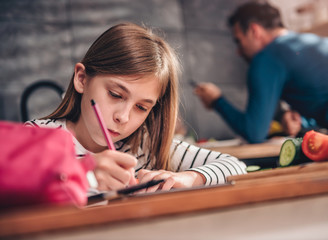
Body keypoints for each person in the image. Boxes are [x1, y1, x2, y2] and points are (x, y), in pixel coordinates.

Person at [25, 23, 246, 192]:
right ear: (82, 79)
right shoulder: (36, 137)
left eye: (141, 107)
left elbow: (234, 165)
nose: (123, 116)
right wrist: (84, 174)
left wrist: (188, 177)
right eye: (115, 94)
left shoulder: (145, 144)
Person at [194, 1, 328, 143]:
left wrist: (217, 101)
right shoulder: (305, 42)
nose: (238, 51)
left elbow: (254, 133)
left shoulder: (267, 57)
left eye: (239, 41)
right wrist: (296, 119)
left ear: (254, 31)